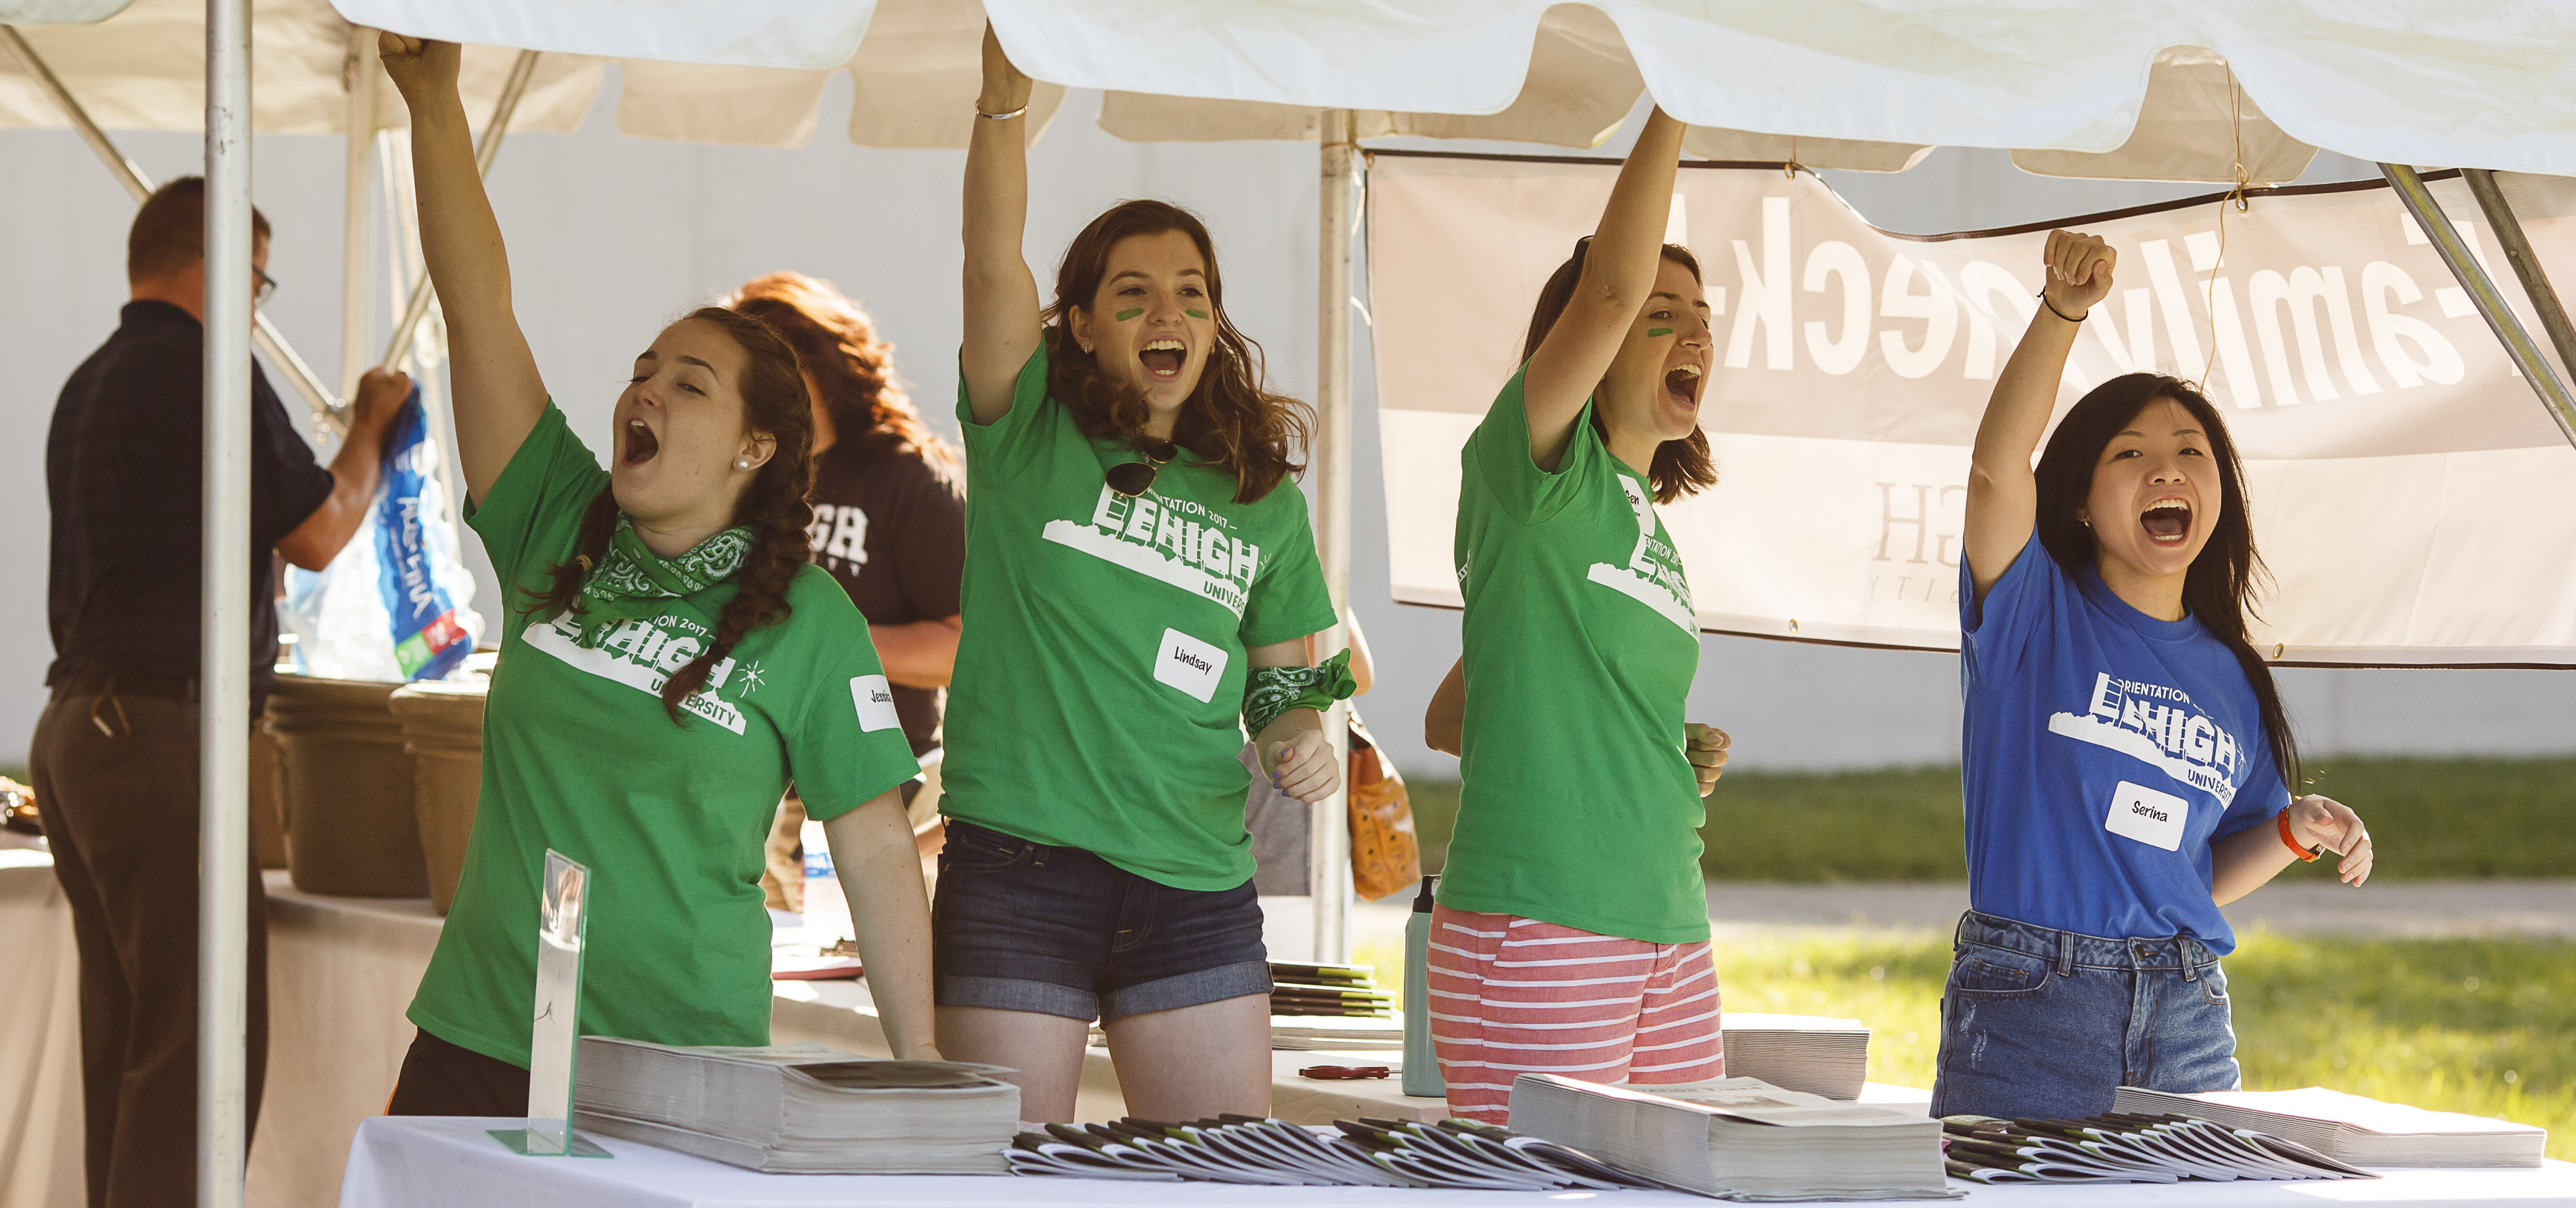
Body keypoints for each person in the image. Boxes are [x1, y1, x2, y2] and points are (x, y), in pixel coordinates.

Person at [376, 35, 937, 1114]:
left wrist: (919, 1071)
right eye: (642, 373)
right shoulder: (558, 520)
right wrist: (435, 99)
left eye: (689, 385)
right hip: (482, 1037)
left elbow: (871, 847)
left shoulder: (807, 619)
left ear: (753, 448)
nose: (648, 394)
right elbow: (478, 309)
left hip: (676, 1068)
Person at [943, 26, 1345, 1124]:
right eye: (1132, 291)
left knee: (1219, 1183)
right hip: (1020, 872)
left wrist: (1299, 741)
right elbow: (990, 259)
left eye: (1192, 292)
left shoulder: (1261, 495)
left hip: (1198, 888)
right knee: (1001, 1185)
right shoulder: (1025, 429)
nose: (1168, 312)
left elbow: (1283, 688)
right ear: (1075, 322)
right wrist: (1001, 106)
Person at [1934, 228, 2377, 1121]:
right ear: (2080, 504)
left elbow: (2196, 868)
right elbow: (1993, 471)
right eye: (2129, 454)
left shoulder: (2232, 677)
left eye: (2191, 451)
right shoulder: (2033, 612)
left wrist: (2293, 829)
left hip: (2186, 1010)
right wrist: (2062, 312)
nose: (2167, 467)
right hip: (2030, 1003)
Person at [34, 175, 407, 1207]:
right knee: (196, 1055)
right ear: (216, 262)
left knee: (132, 1044)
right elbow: (322, 529)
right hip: (160, 727)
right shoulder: (206, 371)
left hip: (79, 726)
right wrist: (373, 424)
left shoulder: (91, 379)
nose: (256, 301)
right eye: (257, 278)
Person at [1418, 109, 1735, 1126]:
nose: (1693, 329)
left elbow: (1458, 714)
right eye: (1660, 310)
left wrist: (1650, 755)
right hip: (1541, 916)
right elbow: (1604, 288)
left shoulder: (1646, 520)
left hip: (1669, 923)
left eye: (1701, 314)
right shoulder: (1532, 471)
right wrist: (1676, 95)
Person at [728, 272, 965, 876]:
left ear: (821, 363)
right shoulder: (741, 481)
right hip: (752, 781)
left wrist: (823, 646)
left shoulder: (907, 477)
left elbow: (964, 648)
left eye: (770, 366)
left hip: (881, 782)